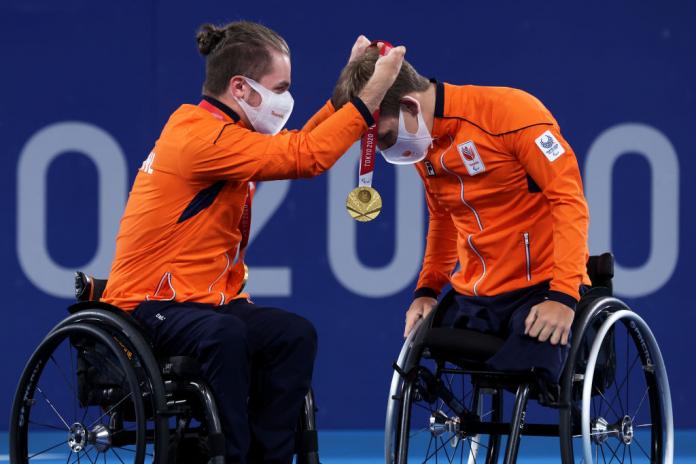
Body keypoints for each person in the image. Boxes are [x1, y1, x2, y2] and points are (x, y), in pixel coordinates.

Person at [100, 22, 404, 463]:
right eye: (280, 88)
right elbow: (308, 155)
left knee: (293, 334)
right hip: (150, 304)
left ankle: (271, 458)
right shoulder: (198, 136)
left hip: (207, 302)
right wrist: (371, 95)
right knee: (226, 335)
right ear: (240, 88)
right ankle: (230, 456)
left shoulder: (227, 132)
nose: (286, 99)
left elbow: (300, 143)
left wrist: (349, 88)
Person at [331, 49, 589, 384]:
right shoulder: (424, 143)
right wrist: (427, 290)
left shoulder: (513, 113)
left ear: (410, 106)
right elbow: (442, 217)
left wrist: (564, 296)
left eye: (383, 137)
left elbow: (569, 202)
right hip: (477, 296)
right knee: (415, 361)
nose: (382, 149)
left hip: (541, 287)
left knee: (530, 370)